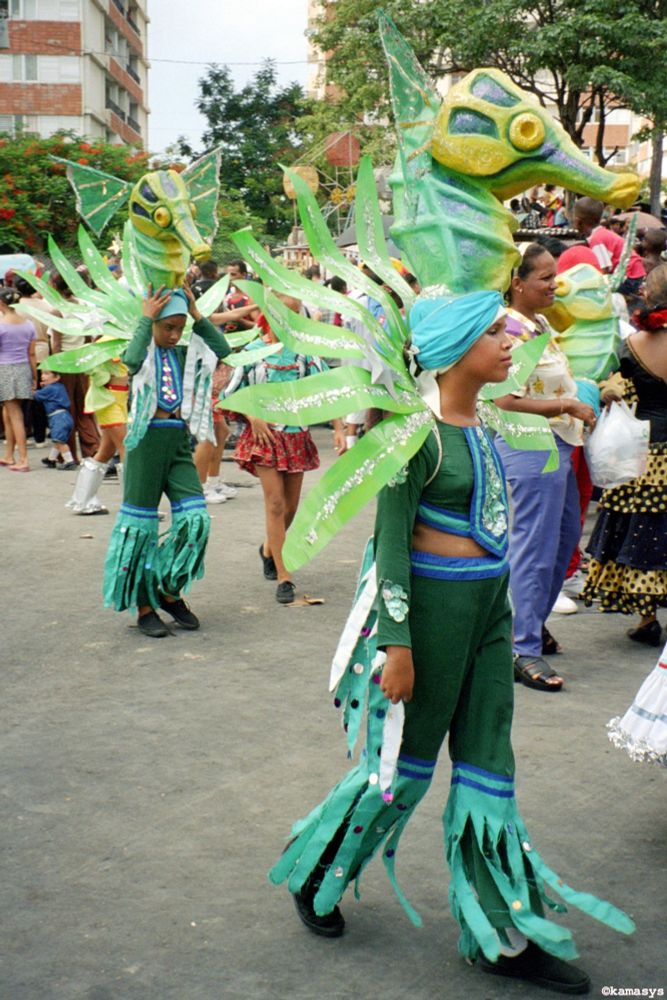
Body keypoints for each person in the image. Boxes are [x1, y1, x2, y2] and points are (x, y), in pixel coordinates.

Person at [270, 292, 633, 995]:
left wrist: (573, 404)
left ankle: (501, 935)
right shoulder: (412, 434)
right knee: (401, 768)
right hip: (429, 616)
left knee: (488, 768)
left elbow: (535, 411)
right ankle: (319, 865)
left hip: (488, 611)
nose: (509, 343)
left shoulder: (486, 417)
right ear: (453, 350)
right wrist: (397, 646)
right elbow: (390, 547)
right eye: (494, 333)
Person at [493, 244, 597, 689]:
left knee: (564, 540)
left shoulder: (539, 323)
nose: (556, 284)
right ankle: (521, 648)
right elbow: (502, 397)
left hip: (556, 443)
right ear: (517, 283)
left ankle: (527, 622)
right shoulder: (507, 329)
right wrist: (567, 403)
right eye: (545, 278)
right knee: (534, 546)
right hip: (527, 443)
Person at [102, 283, 231, 638]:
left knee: (196, 520)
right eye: (167, 327)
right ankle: (144, 607)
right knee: (140, 530)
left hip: (177, 445)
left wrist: (197, 314)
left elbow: (223, 348)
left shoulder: (184, 353)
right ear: (153, 323)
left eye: (179, 327)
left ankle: (169, 592)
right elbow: (129, 360)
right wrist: (145, 319)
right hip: (145, 444)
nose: (174, 335)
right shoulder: (142, 352)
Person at [224, 295, 346, 604]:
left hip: (296, 438)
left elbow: (329, 389)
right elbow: (228, 395)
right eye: (282, 312)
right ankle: (284, 574)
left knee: (290, 508)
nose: (288, 318)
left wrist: (340, 429)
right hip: (265, 440)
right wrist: (253, 417)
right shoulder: (252, 353)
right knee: (276, 505)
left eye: (294, 312)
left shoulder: (305, 355)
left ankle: (268, 549)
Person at [582, 263, 667, 646]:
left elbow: (615, 390)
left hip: (643, 455)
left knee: (642, 531)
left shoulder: (630, 345)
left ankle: (647, 616)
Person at [48, 272, 100, 463]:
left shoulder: (57, 311)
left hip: (66, 363)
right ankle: (93, 448)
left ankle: (69, 455)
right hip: (84, 360)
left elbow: (56, 343)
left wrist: (53, 368)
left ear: (55, 286)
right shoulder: (84, 306)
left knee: (67, 408)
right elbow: (90, 336)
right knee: (85, 408)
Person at [573, 198, 645, 296]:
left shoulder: (596, 239)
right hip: (634, 272)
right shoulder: (601, 232)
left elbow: (604, 269)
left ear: (578, 222)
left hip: (629, 276)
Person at [0, 286, 37, 472]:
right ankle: (8, 455)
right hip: (23, 368)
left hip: (5, 369)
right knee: (9, 412)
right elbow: (31, 353)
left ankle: (23, 458)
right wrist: (34, 376)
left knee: (14, 414)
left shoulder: (1, 324)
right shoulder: (28, 324)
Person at [34, 369, 76, 469]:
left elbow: (36, 395)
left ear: (57, 377)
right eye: (43, 373)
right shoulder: (60, 386)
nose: (43, 376)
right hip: (65, 416)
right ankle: (51, 459)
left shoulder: (49, 389)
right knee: (58, 440)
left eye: (47, 374)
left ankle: (70, 461)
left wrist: (32, 389)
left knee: (60, 442)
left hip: (58, 418)